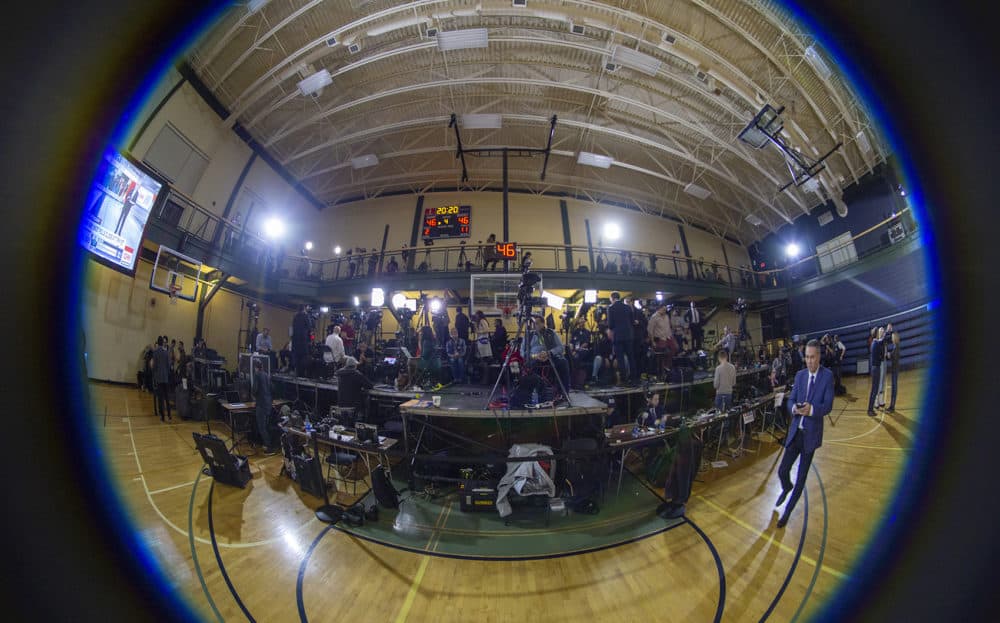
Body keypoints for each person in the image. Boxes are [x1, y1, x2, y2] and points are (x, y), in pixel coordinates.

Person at [775, 339, 834, 528]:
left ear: (819, 356)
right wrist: (794, 409)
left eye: (812, 357)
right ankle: (786, 487)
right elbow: (791, 400)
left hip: (810, 436)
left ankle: (787, 513)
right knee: (782, 470)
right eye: (807, 357)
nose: (809, 361)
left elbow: (828, 405)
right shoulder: (800, 376)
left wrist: (811, 410)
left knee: (801, 479)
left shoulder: (827, 376)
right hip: (795, 434)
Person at [522, 314, 571, 396]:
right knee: (529, 366)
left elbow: (561, 347)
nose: (535, 325)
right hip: (534, 358)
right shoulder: (528, 335)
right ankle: (535, 392)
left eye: (537, 323)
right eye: (533, 323)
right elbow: (522, 352)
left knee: (563, 362)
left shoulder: (551, 333)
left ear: (543, 323)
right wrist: (535, 356)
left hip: (549, 357)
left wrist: (549, 353)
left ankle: (564, 392)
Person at [607, 292, 635, 384]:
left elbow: (610, 324)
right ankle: (633, 378)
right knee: (631, 357)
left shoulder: (611, 308)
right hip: (628, 335)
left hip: (618, 336)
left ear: (612, 298)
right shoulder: (627, 307)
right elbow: (632, 321)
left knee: (620, 359)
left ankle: (624, 379)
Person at [714, 350, 737, 447]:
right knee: (728, 414)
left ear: (719, 358)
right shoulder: (732, 367)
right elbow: (734, 383)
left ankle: (720, 438)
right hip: (729, 393)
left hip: (720, 394)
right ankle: (728, 437)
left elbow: (716, 384)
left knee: (719, 415)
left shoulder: (718, 368)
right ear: (727, 357)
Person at [253, 360, 277, 454]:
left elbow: (255, 389)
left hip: (261, 404)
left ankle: (269, 446)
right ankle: (268, 444)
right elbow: (272, 388)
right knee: (267, 426)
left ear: (255, 367)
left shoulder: (257, 375)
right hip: (268, 404)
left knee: (261, 427)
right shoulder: (267, 375)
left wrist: (255, 396)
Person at [647, 304, 676, 375]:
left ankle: (667, 365)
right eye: (663, 309)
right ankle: (662, 369)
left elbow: (669, 326)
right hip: (660, 338)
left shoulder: (666, 316)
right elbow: (650, 330)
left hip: (668, 336)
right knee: (663, 352)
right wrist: (653, 341)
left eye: (665, 309)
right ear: (659, 309)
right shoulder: (654, 317)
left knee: (675, 348)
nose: (665, 311)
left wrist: (671, 335)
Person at [151, 337, 171, 421]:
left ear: (157, 343)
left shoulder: (155, 352)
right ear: (162, 343)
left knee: (160, 398)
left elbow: (154, 366)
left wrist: (154, 372)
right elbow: (168, 365)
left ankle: (162, 416)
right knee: (167, 397)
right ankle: (169, 414)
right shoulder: (166, 352)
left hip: (159, 378)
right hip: (165, 377)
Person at [292, 305, 311, 377]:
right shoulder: (306, 316)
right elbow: (309, 328)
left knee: (297, 358)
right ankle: (302, 375)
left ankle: (297, 374)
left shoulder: (295, 317)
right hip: (303, 340)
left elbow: (293, 327)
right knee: (303, 358)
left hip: (295, 341)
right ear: (304, 309)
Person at [887, 329, 901, 412]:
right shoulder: (896, 346)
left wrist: (889, 355)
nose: (891, 338)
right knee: (894, 387)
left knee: (894, 388)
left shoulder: (896, 347)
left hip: (895, 369)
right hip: (895, 369)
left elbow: (894, 357)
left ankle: (892, 407)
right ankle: (892, 406)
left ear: (895, 338)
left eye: (892, 337)